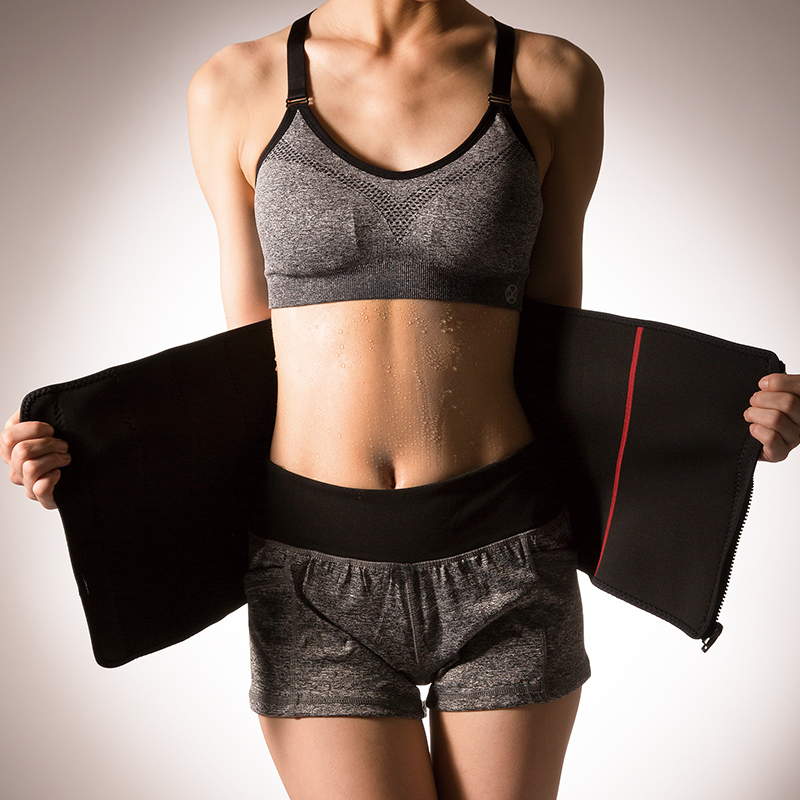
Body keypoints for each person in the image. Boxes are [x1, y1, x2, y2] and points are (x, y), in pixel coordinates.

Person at [3, 1, 800, 798]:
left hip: (509, 552)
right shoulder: (234, 84)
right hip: (312, 573)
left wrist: (726, 425)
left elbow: (561, 344)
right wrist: (88, 463)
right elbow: (242, 369)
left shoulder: (551, 76)